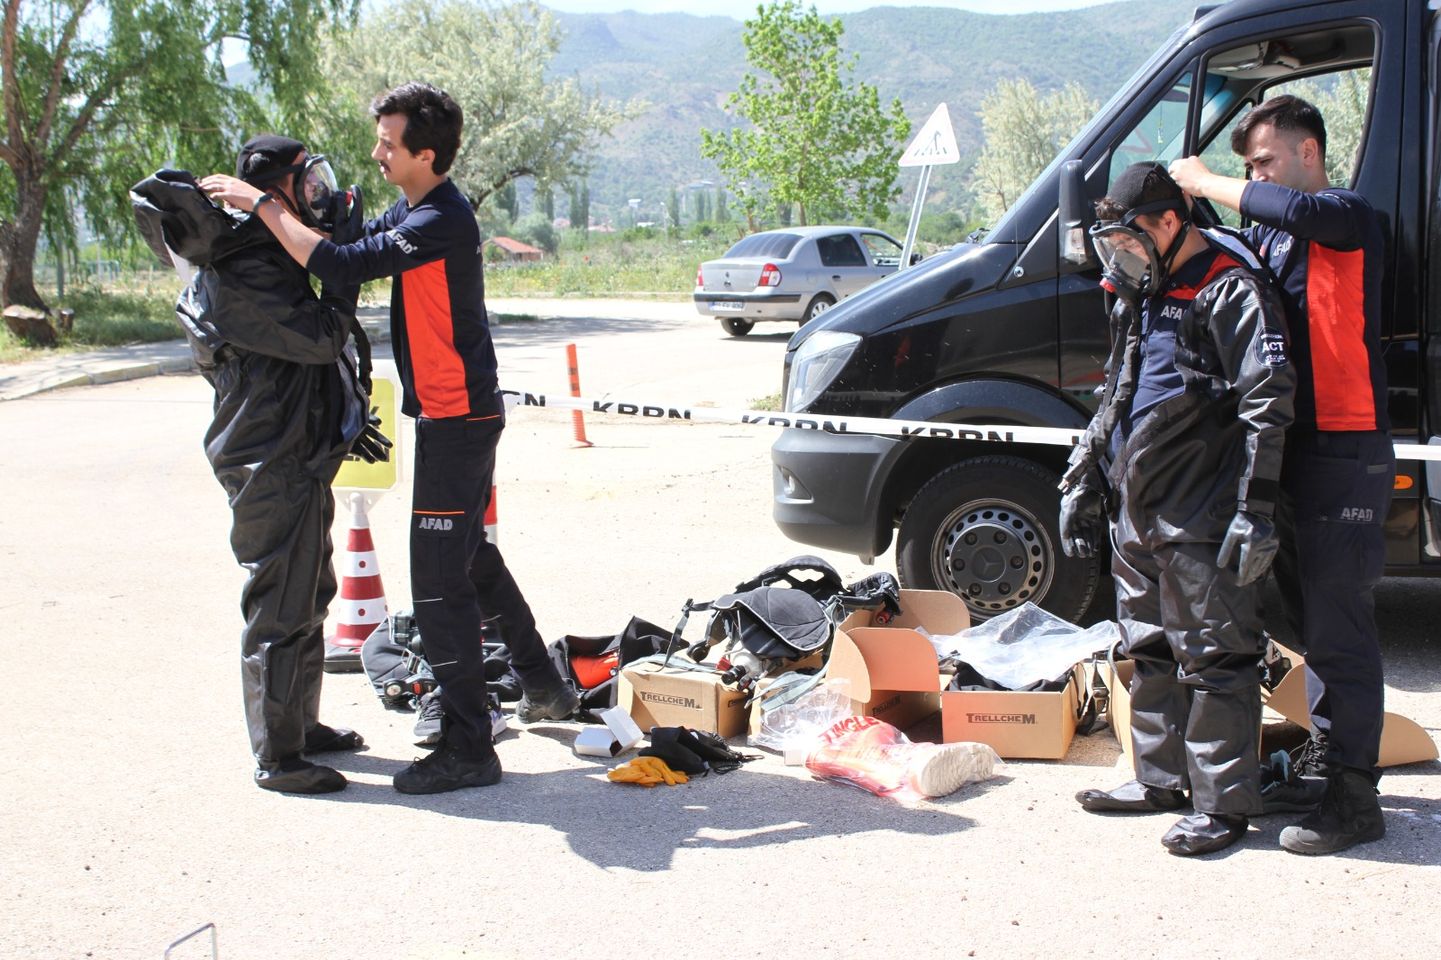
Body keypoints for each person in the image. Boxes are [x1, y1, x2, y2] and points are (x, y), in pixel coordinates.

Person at [200, 82, 580, 796]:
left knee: (437, 583)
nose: (375, 152)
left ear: (424, 154)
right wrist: (306, 209)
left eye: (386, 143)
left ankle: (470, 746)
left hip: (459, 417)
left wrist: (267, 206)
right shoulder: (412, 208)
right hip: (446, 414)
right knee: (466, 557)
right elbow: (347, 240)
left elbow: (341, 266)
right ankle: (543, 685)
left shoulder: (440, 217)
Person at [1169, 94, 1394, 855]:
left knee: (1339, 632)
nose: (1255, 174)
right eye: (1248, 166)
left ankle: (1355, 802)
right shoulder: (1269, 233)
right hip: (1291, 453)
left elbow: (1294, 213)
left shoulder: (1346, 216)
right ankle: (1329, 764)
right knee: (1304, 622)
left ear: (1307, 151)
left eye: (1264, 160)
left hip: (1344, 451)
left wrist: (1204, 179)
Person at [132, 135, 390, 794]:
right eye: (304, 185)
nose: (317, 196)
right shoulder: (244, 270)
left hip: (295, 451)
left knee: (310, 591)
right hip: (266, 461)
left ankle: (300, 726)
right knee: (278, 603)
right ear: (271, 192)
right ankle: (278, 757)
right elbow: (323, 336)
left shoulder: (266, 257)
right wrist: (340, 271)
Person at [1061, 162, 1295, 856]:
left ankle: (1223, 805)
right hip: (1140, 505)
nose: (1120, 258)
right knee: (1148, 646)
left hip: (1203, 507)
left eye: (1128, 242)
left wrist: (1254, 511)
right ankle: (1160, 781)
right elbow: (1118, 391)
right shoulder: (1142, 291)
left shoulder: (1228, 287)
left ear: (1169, 222)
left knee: (1214, 655)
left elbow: (1267, 403)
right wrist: (1083, 474)